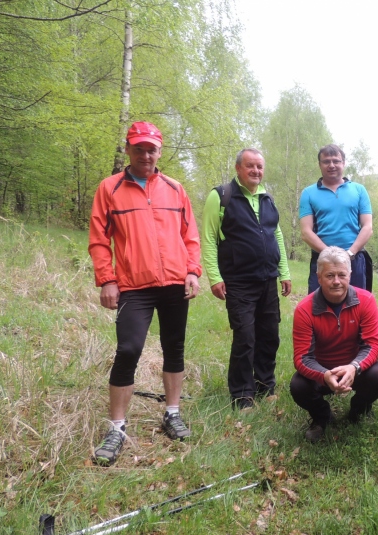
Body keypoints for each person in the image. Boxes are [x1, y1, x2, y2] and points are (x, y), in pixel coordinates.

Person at [88, 121, 201, 466]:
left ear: (159, 151)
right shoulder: (109, 189)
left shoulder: (174, 188)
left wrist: (193, 271)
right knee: (129, 348)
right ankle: (117, 427)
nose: (146, 155)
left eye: (151, 148)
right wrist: (107, 279)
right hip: (133, 286)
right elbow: (98, 240)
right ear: (128, 150)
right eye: (139, 148)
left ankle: (172, 412)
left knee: (174, 346)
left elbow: (190, 236)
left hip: (173, 283)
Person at [200, 148, 292, 410]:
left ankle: (266, 385)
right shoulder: (221, 197)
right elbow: (208, 240)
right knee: (245, 338)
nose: (256, 171)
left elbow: (278, 236)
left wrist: (284, 272)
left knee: (269, 335)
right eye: (250, 166)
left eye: (260, 167)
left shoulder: (267, 199)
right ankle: (242, 395)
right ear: (238, 168)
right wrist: (215, 277)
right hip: (238, 281)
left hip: (268, 280)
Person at [291, 246, 378, 443]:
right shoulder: (304, 309)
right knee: (298, 385)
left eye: (342, 275)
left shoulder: (366, 301)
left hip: (355, 370)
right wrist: (324, 375)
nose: (336, 281)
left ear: (350, 275)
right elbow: (302, 358)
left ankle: (359, 410)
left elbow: (373, 346)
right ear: (319, 277)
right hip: (321, 372)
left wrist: (354, 367)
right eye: (330, 275)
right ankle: (322, 416)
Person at [299, 144, 372, 293]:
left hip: (354, 259)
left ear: (343, 163)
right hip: (322, 260)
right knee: (318, 309)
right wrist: (331, 256)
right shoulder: (308, 193)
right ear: (320, 164)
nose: (331, 165)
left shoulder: (359, 190)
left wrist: (349, 254)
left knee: (356, 307)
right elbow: (306, 232)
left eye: (336, 161)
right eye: (326, 161)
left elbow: (367, 227)